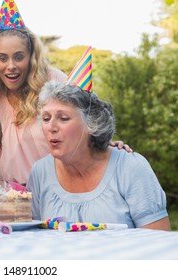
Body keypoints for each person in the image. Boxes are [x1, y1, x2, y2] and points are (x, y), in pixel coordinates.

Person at [0, 0, 131, 185]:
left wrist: (108, 146)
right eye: (3, 58)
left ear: (31, 57)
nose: (11, 66)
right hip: (14, 196)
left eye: (19, 57)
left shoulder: (55, 81)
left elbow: (84, 123)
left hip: (58, 189)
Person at [27, 81, 170, 230]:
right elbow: (33, 238)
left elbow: (158, 240)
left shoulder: (130, 167)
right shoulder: (40, 172)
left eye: (63, 118)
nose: (51, 127)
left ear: (92, 123)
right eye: (45, 118)